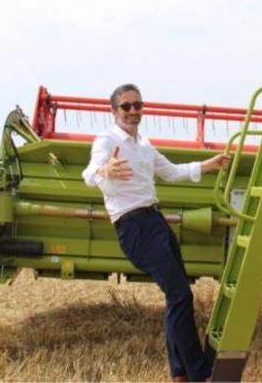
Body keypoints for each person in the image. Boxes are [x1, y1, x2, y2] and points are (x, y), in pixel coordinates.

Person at [82, 84, 229, 382]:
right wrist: (104, 171)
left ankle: (180, 373)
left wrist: (208, 165)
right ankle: (200, 375)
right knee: (180, 295)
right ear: (114, 111)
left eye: (137, 105)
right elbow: (89, 173)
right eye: (126, 107)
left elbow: (172, 172)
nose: (133, 111)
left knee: (176, 298)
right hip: (133, 227)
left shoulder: (145, 146)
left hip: (155, 222)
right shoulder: (107, 140)